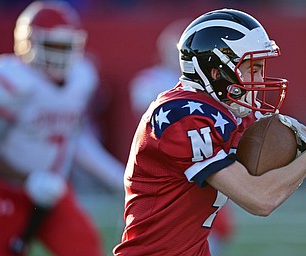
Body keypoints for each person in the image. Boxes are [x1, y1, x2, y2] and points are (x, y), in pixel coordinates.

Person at [113, 8, 306, 256]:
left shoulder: (225, 109)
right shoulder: (181, 116)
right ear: (217, 73)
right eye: (253, 68)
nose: (260, 79)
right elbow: (260, 199)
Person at [0, 1, 124, 255]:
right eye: (53, 45)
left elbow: (75, 139)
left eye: (67, 46)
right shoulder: (11, 80)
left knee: (85, 247)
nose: (61, 54)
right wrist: (27, 180)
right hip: (6, 191)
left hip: (54, 189)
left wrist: (119, 178)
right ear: (28, 43)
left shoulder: (82, 78)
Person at [128, 18, 234, 256]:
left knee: (219, 227)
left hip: (207, 160)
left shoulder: (209, 85)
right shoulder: (151, 81)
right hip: (170, 168)